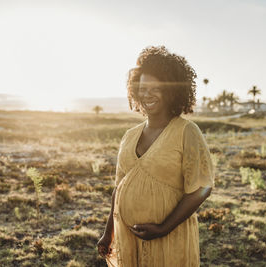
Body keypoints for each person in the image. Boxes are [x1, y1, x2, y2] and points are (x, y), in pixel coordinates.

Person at [97, 46, 215, 266]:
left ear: (171, 91)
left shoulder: (186, 131)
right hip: (129, 239)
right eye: (142, 88)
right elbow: (119, 188)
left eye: (155, 88)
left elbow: (201, 189)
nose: (147, 94)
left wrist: (163, 228)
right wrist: (108, 233)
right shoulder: (130, 136)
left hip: (170, 239)